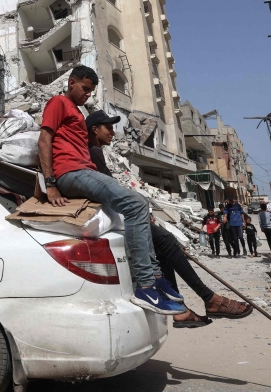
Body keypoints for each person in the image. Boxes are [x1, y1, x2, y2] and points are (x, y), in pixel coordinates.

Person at [39, 66, 185, 315]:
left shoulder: (77, 111)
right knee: (136, 204)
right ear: (71, 82)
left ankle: (156, 275)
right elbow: (44, 140)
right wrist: (50, 184)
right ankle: (146, 286)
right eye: (84, 88)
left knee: (139, 202)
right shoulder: (59, 102)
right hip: (71, 173)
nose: (87, 94)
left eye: (91, 91)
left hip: (85, 172)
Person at [85, 115, 250, 325]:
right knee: (166, 241)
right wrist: (138, 210)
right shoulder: (94, 152)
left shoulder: (97, 152)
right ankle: (207, 299)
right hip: (116, 214)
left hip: (121, 211)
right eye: (107, 127)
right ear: (94, 129)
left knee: (163, 244)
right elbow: (108, 190)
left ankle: (184, 307)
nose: (112, 132)